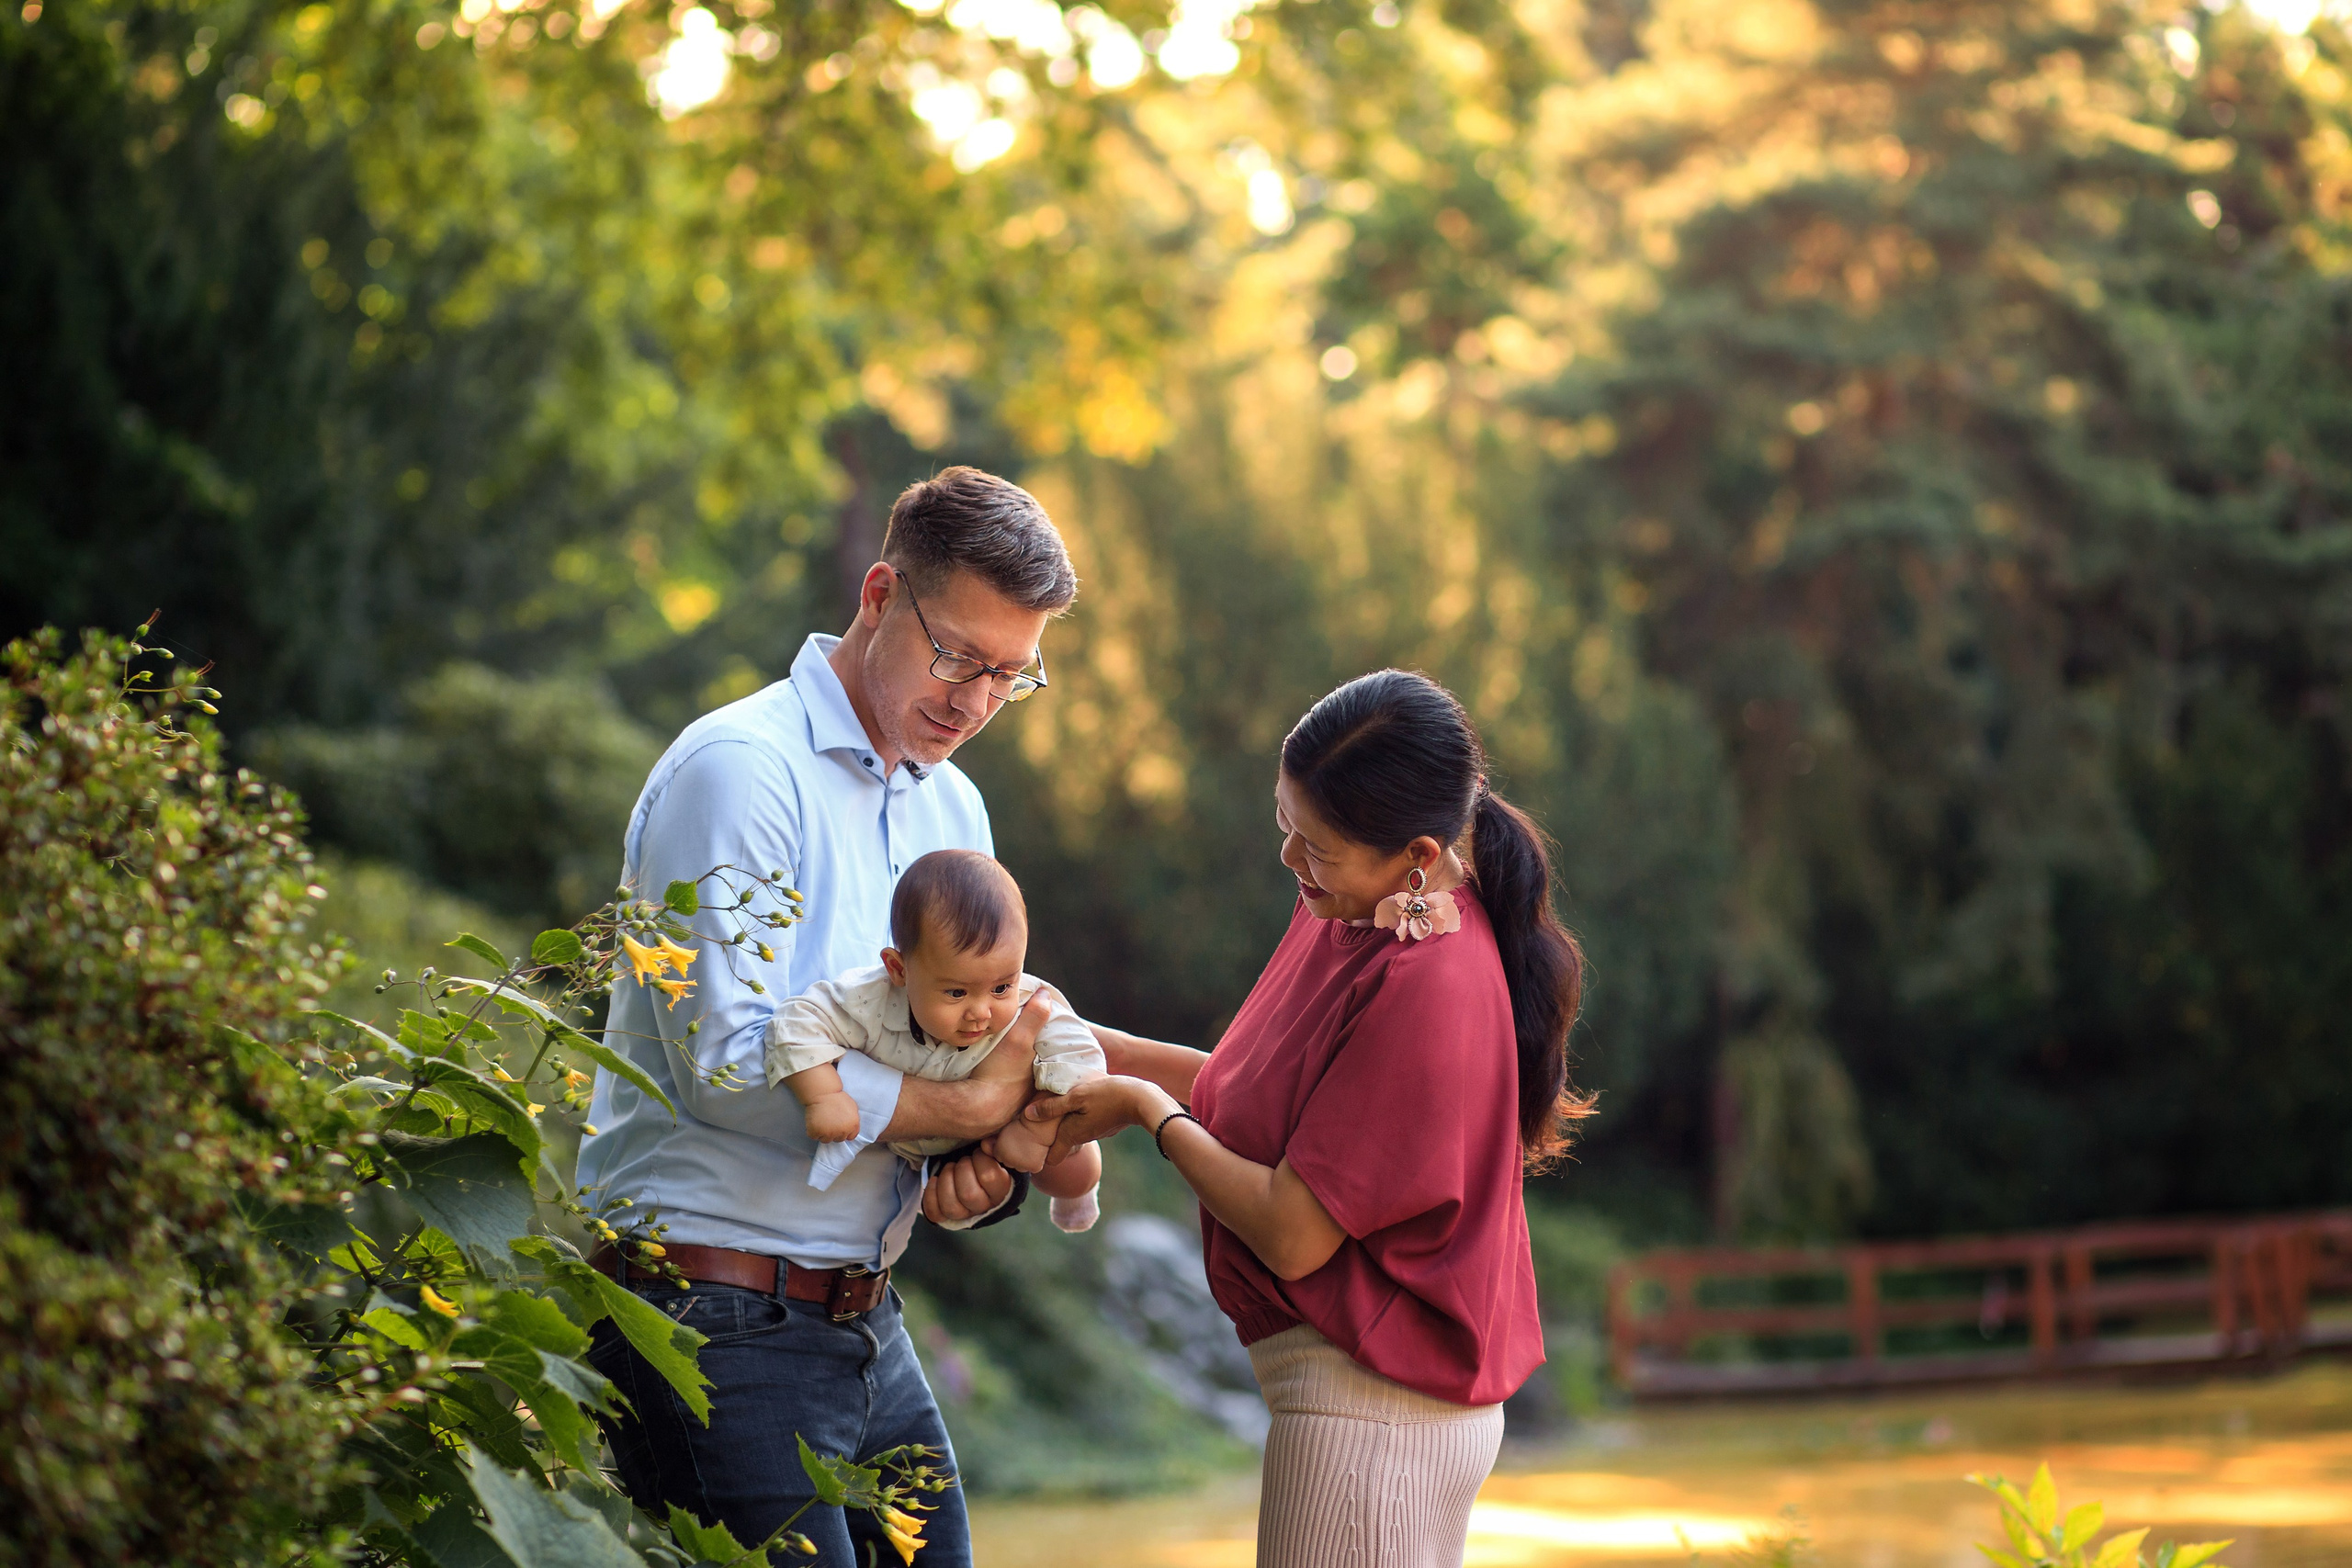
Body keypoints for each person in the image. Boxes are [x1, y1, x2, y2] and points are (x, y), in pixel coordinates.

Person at [574, 467, 1087, 1567]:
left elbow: (968, 1036)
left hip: (862, 1320)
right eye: (955, 653)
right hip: (706, 1314)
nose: (974, 699)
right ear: (877, 595)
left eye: (1010, 674)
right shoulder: (740, 771)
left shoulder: (953, 805)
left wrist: (984, 1158)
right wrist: (972, 1101)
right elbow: (724, 1057)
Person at [1030, 669, 1595, 1568]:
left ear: (1414, 854)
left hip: (1373, 1418)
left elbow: (1296, 1234)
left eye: (1316, 846)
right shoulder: (1358, 904)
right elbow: (1282, 1106)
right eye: (1285, 826)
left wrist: (1147, 1111)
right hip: (1369, 1411)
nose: (1291, 861)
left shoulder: (1428, 981)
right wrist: (1110, 1047)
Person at [768, 848, 1105, 1229]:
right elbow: (795, 1020)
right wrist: (823, 1094)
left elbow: (1085, 1063)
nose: (981, 1012)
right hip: (932, 1151)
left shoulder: (1032, 1005)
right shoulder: (869, 999)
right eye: (957, 993)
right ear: (898, 969)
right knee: (953, 1199)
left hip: (1007, 1125)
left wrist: (1035, 1127)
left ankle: (1077, 1201)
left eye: (1001, 987)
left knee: (1078, 1168)